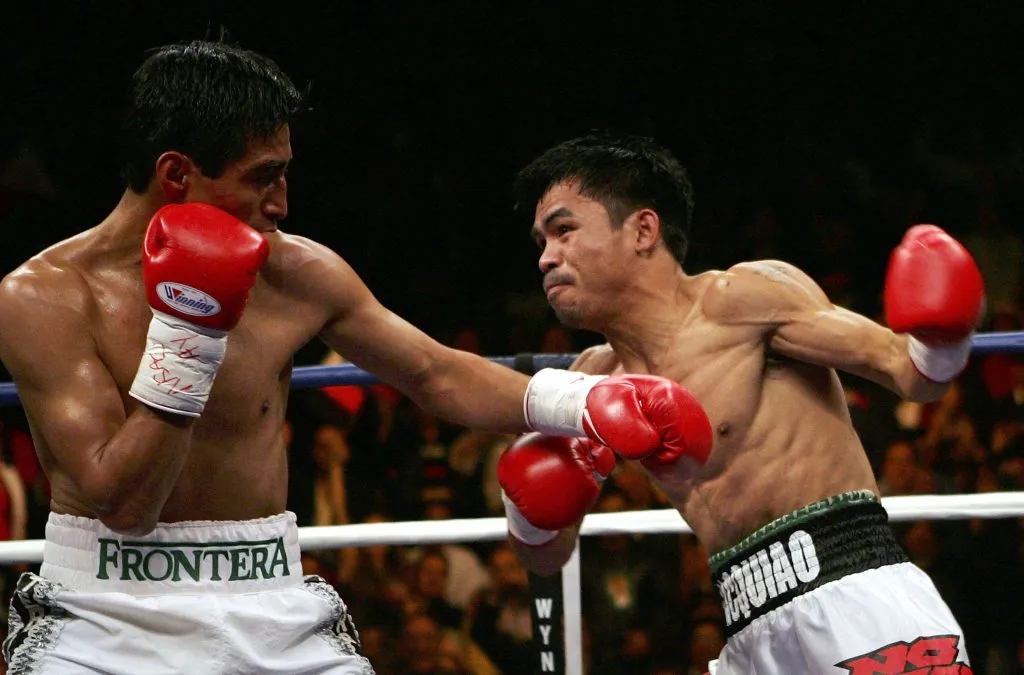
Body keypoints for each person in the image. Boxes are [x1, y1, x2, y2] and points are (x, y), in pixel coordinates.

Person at [0, 45, 705, 674]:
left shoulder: (297, 273)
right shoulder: (46, 298)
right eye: (262, 177)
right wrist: (190, 333)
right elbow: (124, 503)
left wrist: (582, 404)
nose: (282, 202)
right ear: (176, 172)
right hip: (104, 611)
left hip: (266, 599)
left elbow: (435, 372)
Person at [499, 133, 983, 673]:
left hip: (856, 596)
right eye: (541, 241)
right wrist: (526, 514)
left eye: (564, 231)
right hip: (746, 631)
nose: (547, 258)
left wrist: (942, 343)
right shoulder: (593, 381)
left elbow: (908, 372)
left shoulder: (743, 301)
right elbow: (548, 553)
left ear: (642, 230)